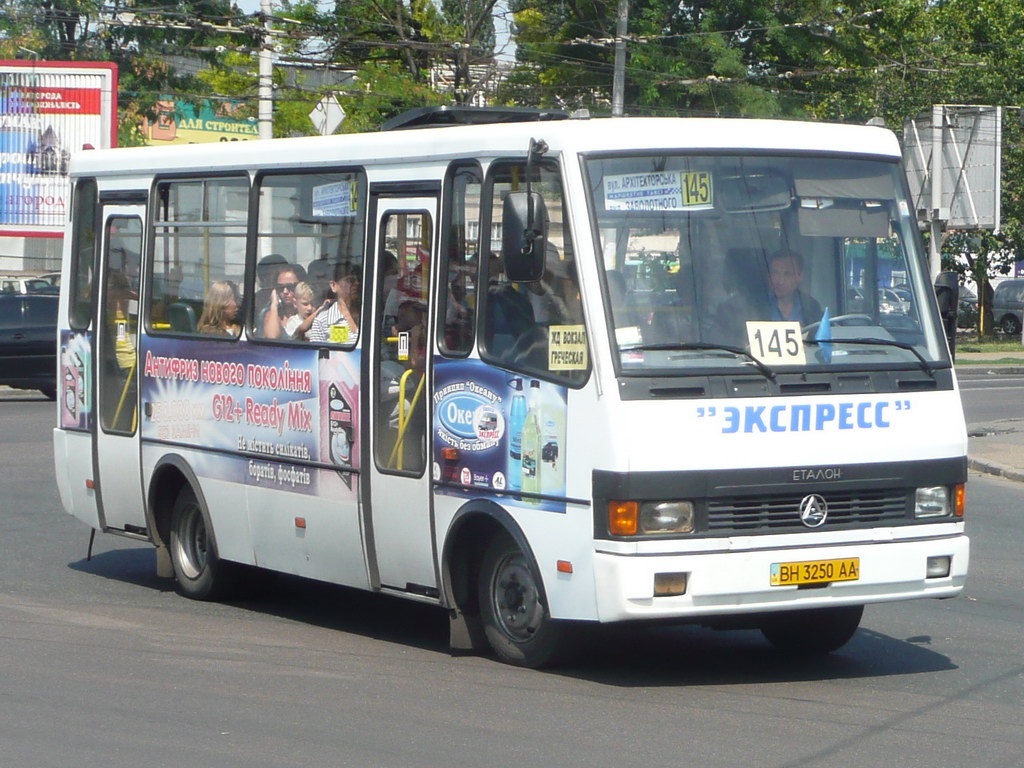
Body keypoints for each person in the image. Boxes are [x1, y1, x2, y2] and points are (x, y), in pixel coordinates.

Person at [766, 250, 822, 325]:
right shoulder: (757, 304)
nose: (780, 281)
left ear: (800, 276)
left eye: (787, 274)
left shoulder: (811, 306)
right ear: (769, 276)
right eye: (775, 273)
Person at [308, 263, 361, 344]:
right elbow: (316, 354)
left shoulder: (369, 315)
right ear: (333, 286)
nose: (357, 283)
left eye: (358, 279)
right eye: (350, 280)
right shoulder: (323, 320)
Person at [261, 264, 302, 339]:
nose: (285, 291)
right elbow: (271, 337)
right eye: (280, 287)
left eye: (290, 286)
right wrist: (274, 305)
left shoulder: (309, 309)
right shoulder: (271, 314)